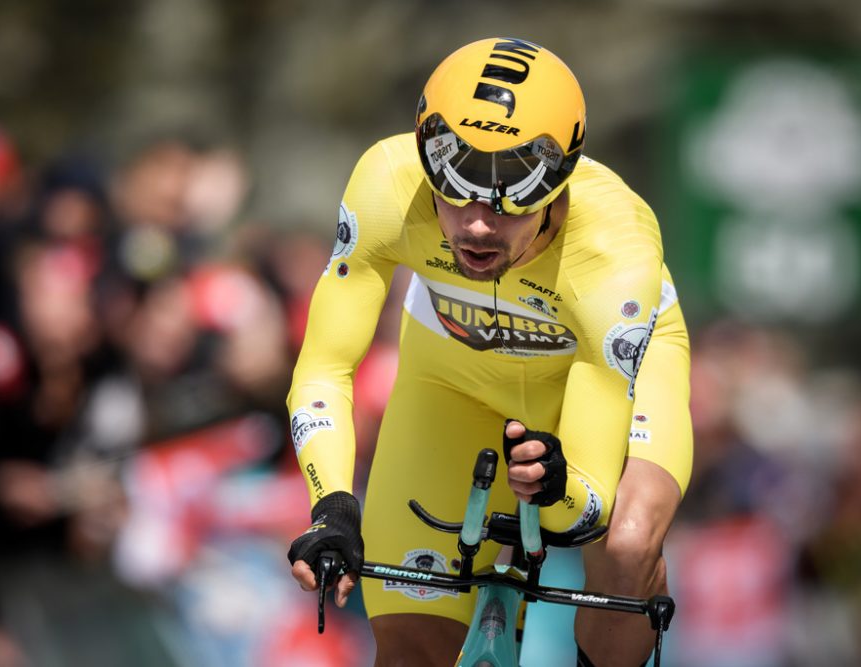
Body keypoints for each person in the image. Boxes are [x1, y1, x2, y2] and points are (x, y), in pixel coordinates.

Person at [286, 37, 692, 667]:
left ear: (560, 180)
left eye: (513, 192)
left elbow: (583, 507)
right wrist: (332, 506)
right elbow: (325, 367)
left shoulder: (615, 246)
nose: (477, 223)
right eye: (455, 183)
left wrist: (557, 491)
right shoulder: (387, 183)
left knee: (626, 546)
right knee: (409, 651)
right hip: (453, 382)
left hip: (598, 389)